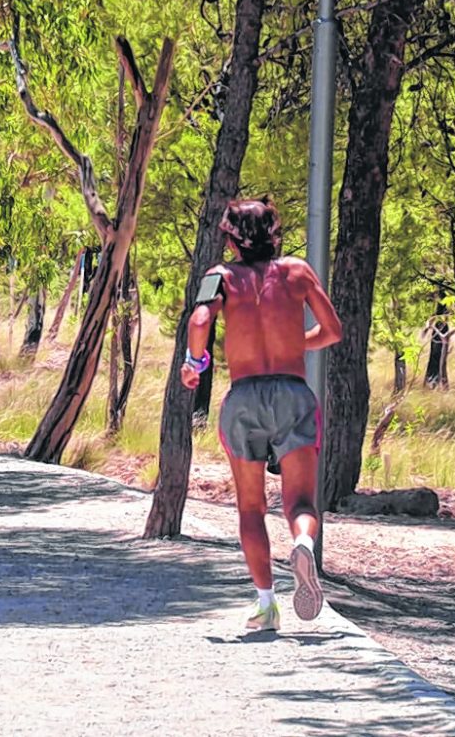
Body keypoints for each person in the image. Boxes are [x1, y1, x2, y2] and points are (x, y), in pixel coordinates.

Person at [180, 197, 342, 630]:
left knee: (250, 508)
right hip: (292, 394)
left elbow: (199, 322)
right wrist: (292, 343)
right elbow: (332, 331)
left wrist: (195, 365)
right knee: (301, 502)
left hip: (244, 398)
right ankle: (304, 542)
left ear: (231, 238)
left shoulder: (220, 277)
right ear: (274, 233)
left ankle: (266, 603)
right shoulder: (298, 272)